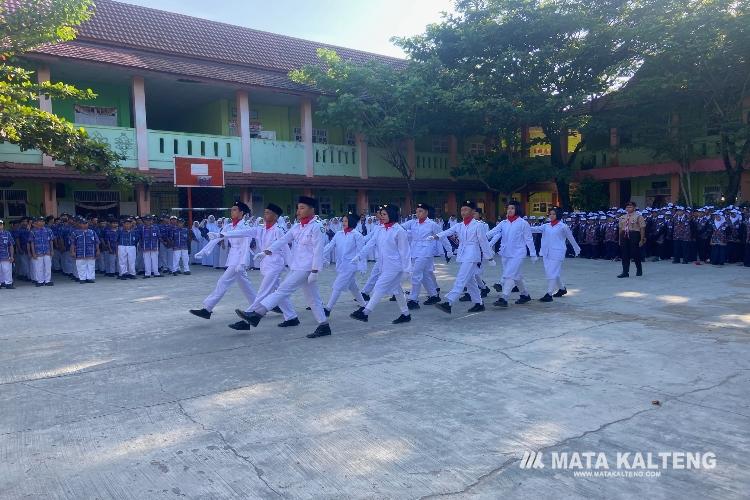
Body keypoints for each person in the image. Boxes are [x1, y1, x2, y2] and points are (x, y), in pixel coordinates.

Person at [235, 196, 331, 339]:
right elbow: (283, 240)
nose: (298, 211)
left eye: (302, 208)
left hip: (308, 268)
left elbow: (318, 250)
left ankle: (257, 314)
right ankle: (324, 325)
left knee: (282, 290)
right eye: (298, 208)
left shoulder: (317, 226)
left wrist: (315, 271)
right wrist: (265, 252)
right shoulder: (298, 226)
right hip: (298, 266)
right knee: (313, 298)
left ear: (312, 210)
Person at [226, 203, 299, 331]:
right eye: (264, 212)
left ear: (276, 216)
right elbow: (243, 232)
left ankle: (247, 319)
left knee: (263, 292)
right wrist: (223, 235)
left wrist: (292, 266)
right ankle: (292, 317)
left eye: (268, 212)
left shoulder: (279, 230)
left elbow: (285, 248)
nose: (265, 215)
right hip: (265, 264)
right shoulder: (261, 229)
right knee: (277, 292)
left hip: (275, 265)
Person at [190, 201, 257, 319]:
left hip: (239, 260)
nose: (232, 212)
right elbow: (217, 238)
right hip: (233, 258)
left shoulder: (245, 226)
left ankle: (207, 308)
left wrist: (242, 262)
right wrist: (205, 251)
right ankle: (260, 307)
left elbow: (245, 247)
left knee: (223, 282)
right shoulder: (229, 226)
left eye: (235, 210)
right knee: (246, 286)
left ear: (241, 212)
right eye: (231, 209)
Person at [350, 203, 413, 324]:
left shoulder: (399, 231)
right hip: (384, 265)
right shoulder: (380, 229)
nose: (382, 217)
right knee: (397, 290)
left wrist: (407, 270)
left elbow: (405, 252)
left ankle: (365, 312)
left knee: (379, 286)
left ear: (392, 215)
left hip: (395, 266)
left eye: (385, 214)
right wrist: (360, 256)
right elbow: (371, 244)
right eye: (381, 214)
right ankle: (406, 314)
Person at [430, 200, 494, 314]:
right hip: (464, 254)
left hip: (473, 255)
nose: (463, 212)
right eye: (462, 210)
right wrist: (436, 236)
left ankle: (448, 302)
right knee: (470, 281)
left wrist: (489, 257)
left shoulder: (478, 225)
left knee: (461, 278)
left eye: (466, 210)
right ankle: (478, 303)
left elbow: (483, 242)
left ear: (473, 211)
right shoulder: (460, 225)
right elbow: (448, 232)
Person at [401, 203, 451, 309]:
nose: (418, 213)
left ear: (426, 212)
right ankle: (433, 295)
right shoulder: (413, 223)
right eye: (417, 211)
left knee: (415, 274)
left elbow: (442, 237)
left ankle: (413, 299)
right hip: (414, 250)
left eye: (421, 211)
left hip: (426, 251)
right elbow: (400, 228)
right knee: (424, 275)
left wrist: (449, 251)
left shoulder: (432, 224)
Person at [492, 201, 537, 308]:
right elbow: (492, 232)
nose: (510, 210)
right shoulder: (504, 223)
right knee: (517, 276)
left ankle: (504, 297)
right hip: (506, 253)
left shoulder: (523, 223)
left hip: (518, 253)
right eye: (508, 208)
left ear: (517, 209)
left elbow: (529, 239)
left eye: (512, 208)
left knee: (510, 275)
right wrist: (479, 237)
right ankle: (525, 295)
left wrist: (533, 254)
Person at [530, 207, 580, 302]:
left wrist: (576, 248)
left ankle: (549, 294)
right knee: (552, 272)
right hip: (546, 252)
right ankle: (562, 289)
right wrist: (523, 227)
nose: (551, 216)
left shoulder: (563, 226)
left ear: (558, 215)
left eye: (554, 214)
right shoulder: (546, 226)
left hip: (558, 252)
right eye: (550, 214)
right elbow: (535, 229)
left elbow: (571, 238)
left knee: (552, 273)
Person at [323, 212, 367, 316]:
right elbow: (330, 246)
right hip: (341, 264)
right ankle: (364, 305)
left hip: (351, 265)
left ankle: (328, 309)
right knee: (353, 287)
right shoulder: (339, 234)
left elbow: (362, 252)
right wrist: (318, 255)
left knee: (337, 286)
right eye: (343, 221)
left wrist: (362, 266)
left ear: (351, 222)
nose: (343, 223)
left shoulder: (357, 235)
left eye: (346, 221)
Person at [617, 201, 646, 278]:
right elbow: (620, 229)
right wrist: (619, 239)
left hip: (634, 234)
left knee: (635, 253)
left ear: (634, 208)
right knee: (624, 254)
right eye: (627, 207)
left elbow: (642, 228)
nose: (628, 208)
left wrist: (642, 239)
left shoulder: (639, 216)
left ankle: (639, 269)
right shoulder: (622, 217)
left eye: (630, 207)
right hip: (624, 235)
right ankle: (625, 272)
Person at [69, 218, 100, 283]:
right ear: (80, 224)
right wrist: (72, 252)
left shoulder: (92, 232)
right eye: (83, 223)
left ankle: (90, 278)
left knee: (91, 265)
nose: (85, 225)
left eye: (86, 223)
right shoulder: (75, 232)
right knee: (81, 266)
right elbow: (72, 243)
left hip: (91, 252)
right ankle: (82, 279)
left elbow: (96, 242)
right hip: (80, 252)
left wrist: (98, 250)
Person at [29, 216, 54, 286]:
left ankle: (47, 281)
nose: (42, 222)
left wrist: (52, 250)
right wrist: (33, 253)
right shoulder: (33, 231)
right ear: (36, 222)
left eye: (43, 221)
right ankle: (40, 281)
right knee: (39, 267)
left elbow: (51, 241)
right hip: (38, 252)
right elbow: (32, 242)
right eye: (40, 221)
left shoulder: (48, 230)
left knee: (48, 267)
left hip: (47, 252)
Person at [0, 219, 15, 289]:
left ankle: (8, 283)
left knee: (7, 270)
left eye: (1, 224)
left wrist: (12, 256)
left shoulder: (7, 233)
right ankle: (1, 283)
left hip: (6, 255)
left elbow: (11, 245)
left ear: (3, 225)